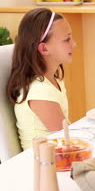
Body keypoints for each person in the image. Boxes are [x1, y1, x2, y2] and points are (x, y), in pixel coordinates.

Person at [6, 8, 76, 149]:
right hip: (43, 166)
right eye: (67, 39)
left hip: (57, 156)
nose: (74, 43)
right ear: (44, 49)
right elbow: (68, 140)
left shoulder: (54, 80)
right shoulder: (40, 91)